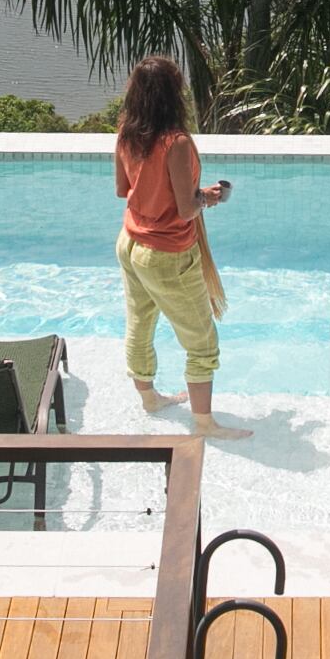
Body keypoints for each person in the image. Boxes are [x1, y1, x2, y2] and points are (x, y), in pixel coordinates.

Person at [113, 54, 247, 439]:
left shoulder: (126, 132)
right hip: (166, 253)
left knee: (140, 323)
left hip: (130, 242)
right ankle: (204, 423)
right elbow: (187, 210)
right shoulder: (177, 142)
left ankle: (150, 399)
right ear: (174, 93)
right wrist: (208, 197)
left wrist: (174, 193)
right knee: (201, 341)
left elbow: (124, 189)